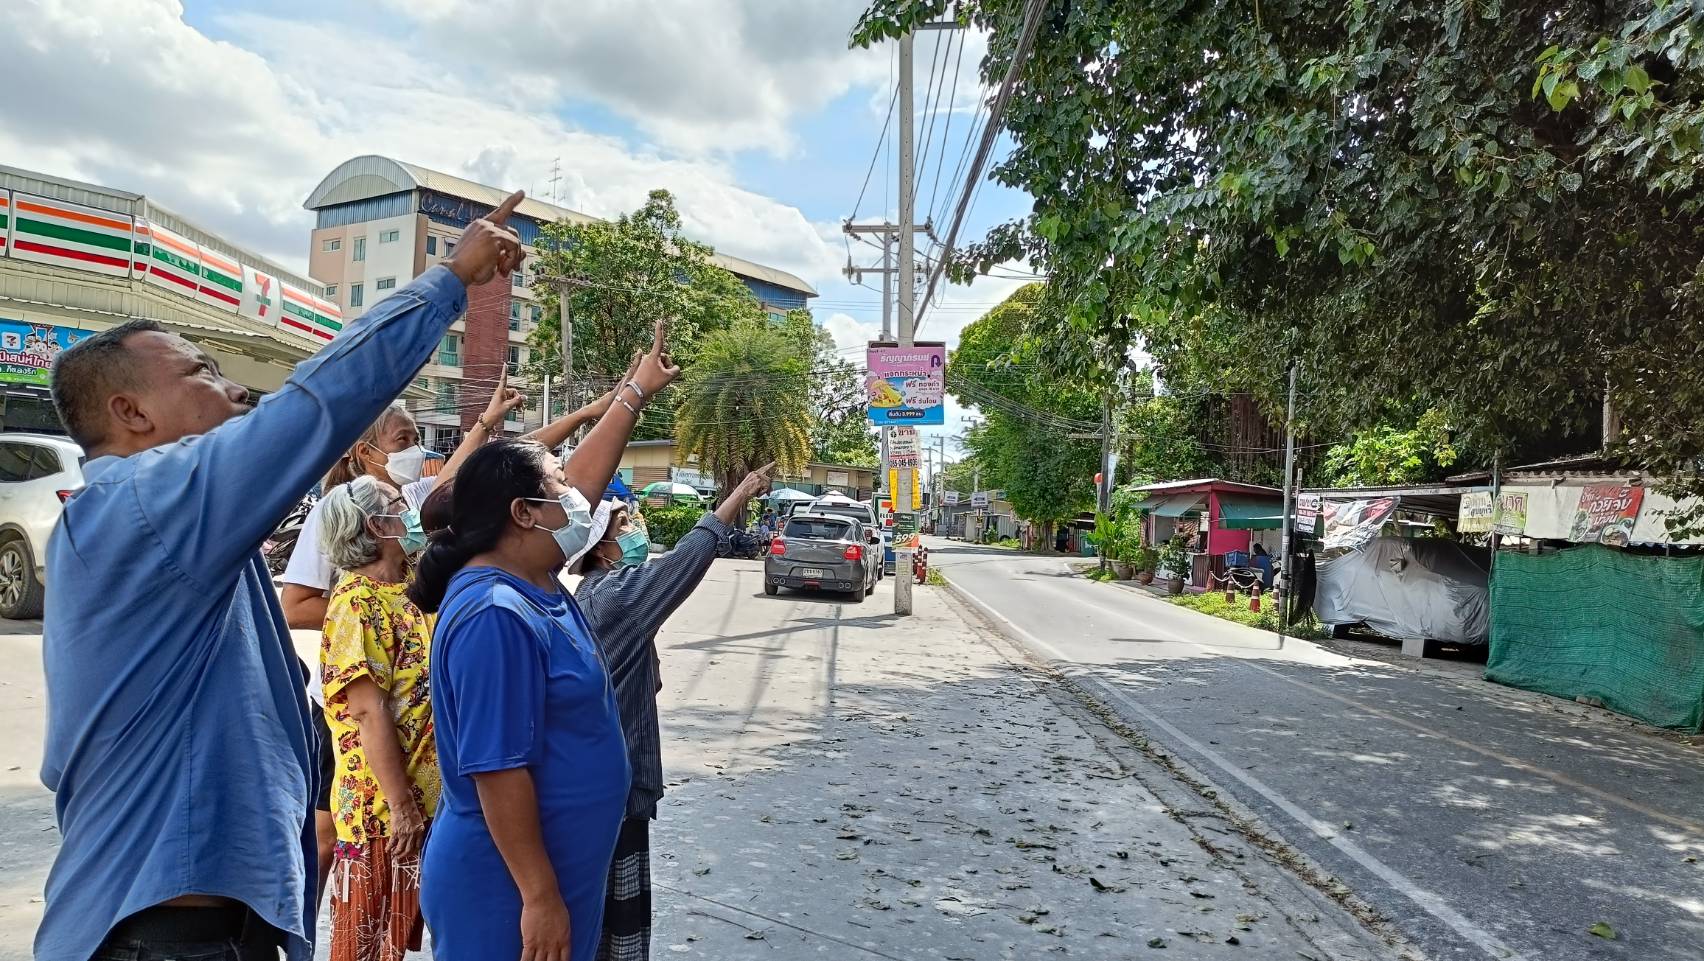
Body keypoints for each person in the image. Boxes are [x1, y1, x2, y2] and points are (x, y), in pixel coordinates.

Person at [37, 190, 526, 961]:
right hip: (165, 939)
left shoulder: (180, 536)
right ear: (130, 413)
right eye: (201, 371)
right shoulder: (142, 505)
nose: (235, 389)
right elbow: (314, 404)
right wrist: (449, 279)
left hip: (209, 929)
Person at [284, 375, 620, 896]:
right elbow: (360, 698)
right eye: (403, 441)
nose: (417, 453)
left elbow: (492, 472)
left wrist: (557, 417)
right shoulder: (358, 575)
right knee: (352, 885)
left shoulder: (410, 537)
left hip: (422, 768)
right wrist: (378, 615)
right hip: (372, 769)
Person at [409, 323, 677, 961]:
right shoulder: (494, 612)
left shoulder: (536, 582)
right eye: (559, 487)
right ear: (523, 513)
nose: (581, 499)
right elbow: (497, 766)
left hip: (557, 872)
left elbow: (582, 479)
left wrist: (634, 394)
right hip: (506, 885)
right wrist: (538, 895)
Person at [570, 466, 772, 961]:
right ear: (599, 548)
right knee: (614, 930)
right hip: (614, 790)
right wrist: (737, 496)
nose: (635, 530)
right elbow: (682, 565)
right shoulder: (613, 597)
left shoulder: (595, 595)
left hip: (612, 785)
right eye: (623, 527)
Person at [316, 477, 438, 961]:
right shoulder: (356, 604)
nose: (406, 508)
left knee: (401, 940)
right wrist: (402, 805)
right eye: (395, 503)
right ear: (376, 524)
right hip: (380, 811)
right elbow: (368, 711)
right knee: (365, 948)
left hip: (423, 800)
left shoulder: (408, 589)